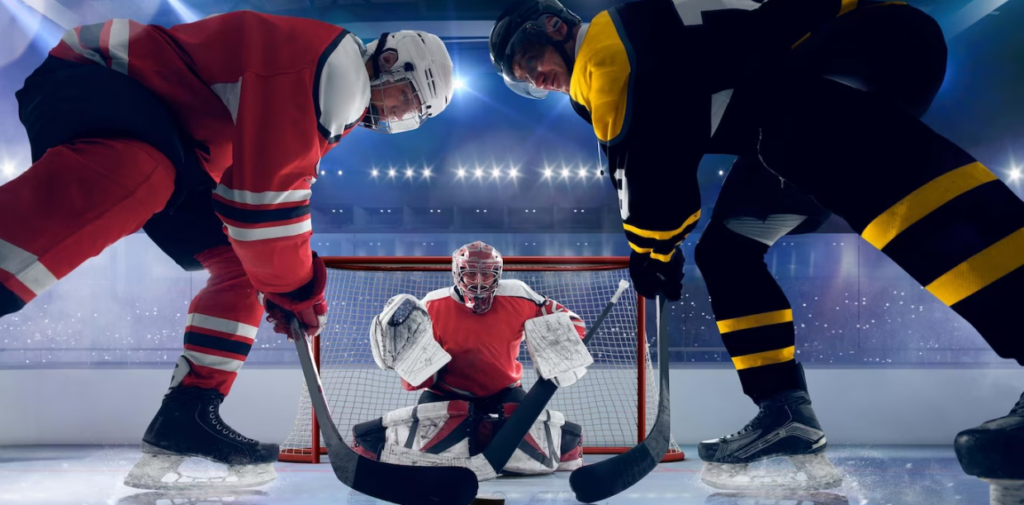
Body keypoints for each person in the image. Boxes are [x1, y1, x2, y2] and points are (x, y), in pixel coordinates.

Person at [489, 0, 1024, 493]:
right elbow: (659, 169)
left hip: (867, 38)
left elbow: (648, 178)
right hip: (804, 84)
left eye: (532, 58)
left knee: (808, 136)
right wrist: (656, 248)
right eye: (525, 79)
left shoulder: (604, 53)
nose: (537, 77)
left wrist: (650, 252)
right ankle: (784, 411)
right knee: (727, 250)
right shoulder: (622, 59)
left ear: (557, 28)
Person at [0, 10, 454, 490]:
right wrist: (298, 287)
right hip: (112, 77)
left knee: (244, 270)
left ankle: (187, 413)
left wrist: (284, 282)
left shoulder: (336, 91)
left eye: (409, 117)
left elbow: (259, 206)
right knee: (142, 174)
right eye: (406, 98)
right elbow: (262, 208)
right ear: (388, 59)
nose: (397, 115)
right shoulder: (339, 69)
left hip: (180, 140)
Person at [353, 241, 588, 478]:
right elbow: (414, 373)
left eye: (486, 273)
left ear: (497, 274)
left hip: (504, 390)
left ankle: (566, 450)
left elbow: (573, 325)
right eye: (471, 273)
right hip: (445, 392)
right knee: (425, 445)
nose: (478, 281)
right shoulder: (431, 304)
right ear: (457, 273)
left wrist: (559, 349)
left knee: (527, 434)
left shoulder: (520, 294)